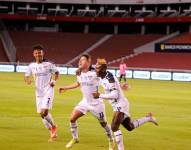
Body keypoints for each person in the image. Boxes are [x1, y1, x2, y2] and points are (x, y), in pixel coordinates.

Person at [93, 58, 158, 150]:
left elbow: (115, 95)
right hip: (118, 105)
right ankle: (148, 118)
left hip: (120, 104)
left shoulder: (109, 78)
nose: (95, 69)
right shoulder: (105, 75)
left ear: (103, 69)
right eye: (95, 67)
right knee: (130, 127)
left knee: (114, 127)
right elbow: (115, 82)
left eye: (97, 68)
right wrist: (120, 85)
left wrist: (100, 95)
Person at [59, 54, 114, 149]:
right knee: (72, 119)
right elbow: (78, 83)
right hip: (85, 102)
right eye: (80, 60)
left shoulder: (95, 73)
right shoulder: (80, 73)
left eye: (83, 60)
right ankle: (75, 138)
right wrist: (65, 88)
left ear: (89, 62)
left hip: (97, 104)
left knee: (103, 123)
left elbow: (107, 77)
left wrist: (119, 86)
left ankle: (111, 140)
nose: (80, 61)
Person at [24, 45, 59, 142]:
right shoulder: (31, 66)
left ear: (43, 53)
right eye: (36, 53)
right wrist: (28, 80)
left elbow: (57, 73)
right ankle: (52, 131)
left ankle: (54, 126)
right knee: (42, 115)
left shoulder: (49, 64)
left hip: (48, 90)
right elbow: (26, 76)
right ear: (33, 54)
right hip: (38, 92)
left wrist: (54, 81)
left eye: (40, 52)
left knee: (45, 112)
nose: (38, 54)